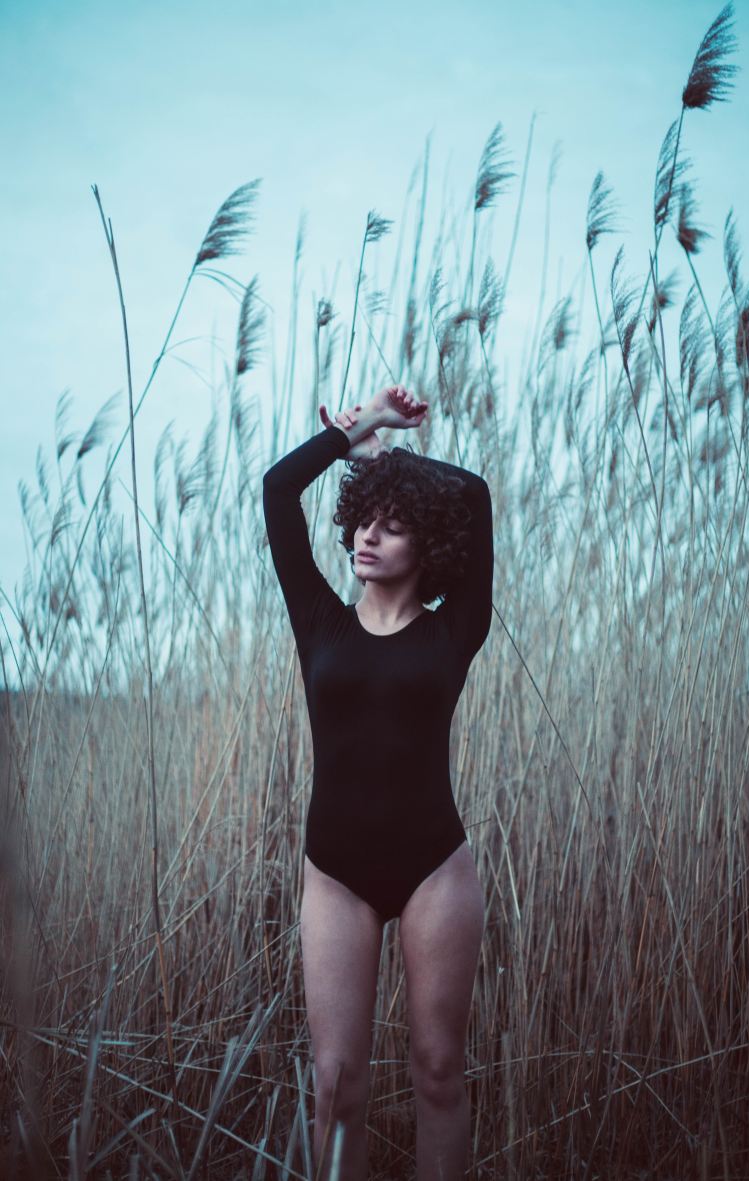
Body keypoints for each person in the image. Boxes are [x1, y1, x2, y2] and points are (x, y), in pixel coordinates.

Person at [262, 383, 494, 1180]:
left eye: (394, 526)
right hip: (335, 874)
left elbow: (474, 493)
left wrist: (394, 455)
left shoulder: (455, 629)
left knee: (436, 1069)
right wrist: (355, 436)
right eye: (365, 518)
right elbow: (276, 490)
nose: (369, 535)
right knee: (338, 1084)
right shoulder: (319, 620)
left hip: (436, 868)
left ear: (425, 547)